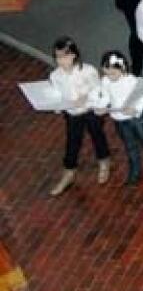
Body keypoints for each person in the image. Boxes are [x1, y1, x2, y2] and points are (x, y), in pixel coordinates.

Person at [47, 37, 112, 196]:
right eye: (58, 57)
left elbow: (99, 90)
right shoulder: (55, 76)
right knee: (72, 142)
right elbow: (57, 96)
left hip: (90, 111)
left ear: (74, 55)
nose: (61, 61)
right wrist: (57, 105)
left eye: (64, 56)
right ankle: (69, 173)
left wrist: (86, 97)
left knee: (97, 136)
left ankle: (104, 161)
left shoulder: (88, 70)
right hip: (72, 113)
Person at [91, 50, 143, 186]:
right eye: (107, 72)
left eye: (113, 73)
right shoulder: (106, 81)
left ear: (122, 67)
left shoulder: (132, 81)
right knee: (129, 146)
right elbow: (106, 96)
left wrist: (135, 109)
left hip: (136, 118)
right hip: (119, 118)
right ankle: (135, 171)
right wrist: (100, 106)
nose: (109, 76)